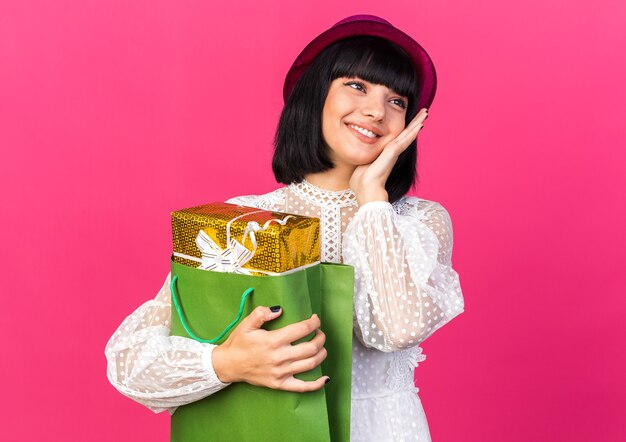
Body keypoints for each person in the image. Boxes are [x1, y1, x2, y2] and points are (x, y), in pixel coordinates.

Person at [105, 15, 464, 441]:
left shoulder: (418, 221)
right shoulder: (242, 222)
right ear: (315, 95)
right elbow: (128, 363)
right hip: (268, 428)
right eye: (357, 86)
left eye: (397, 101)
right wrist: (225, 363)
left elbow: (396, 329)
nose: (375, 111)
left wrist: (372, 199)